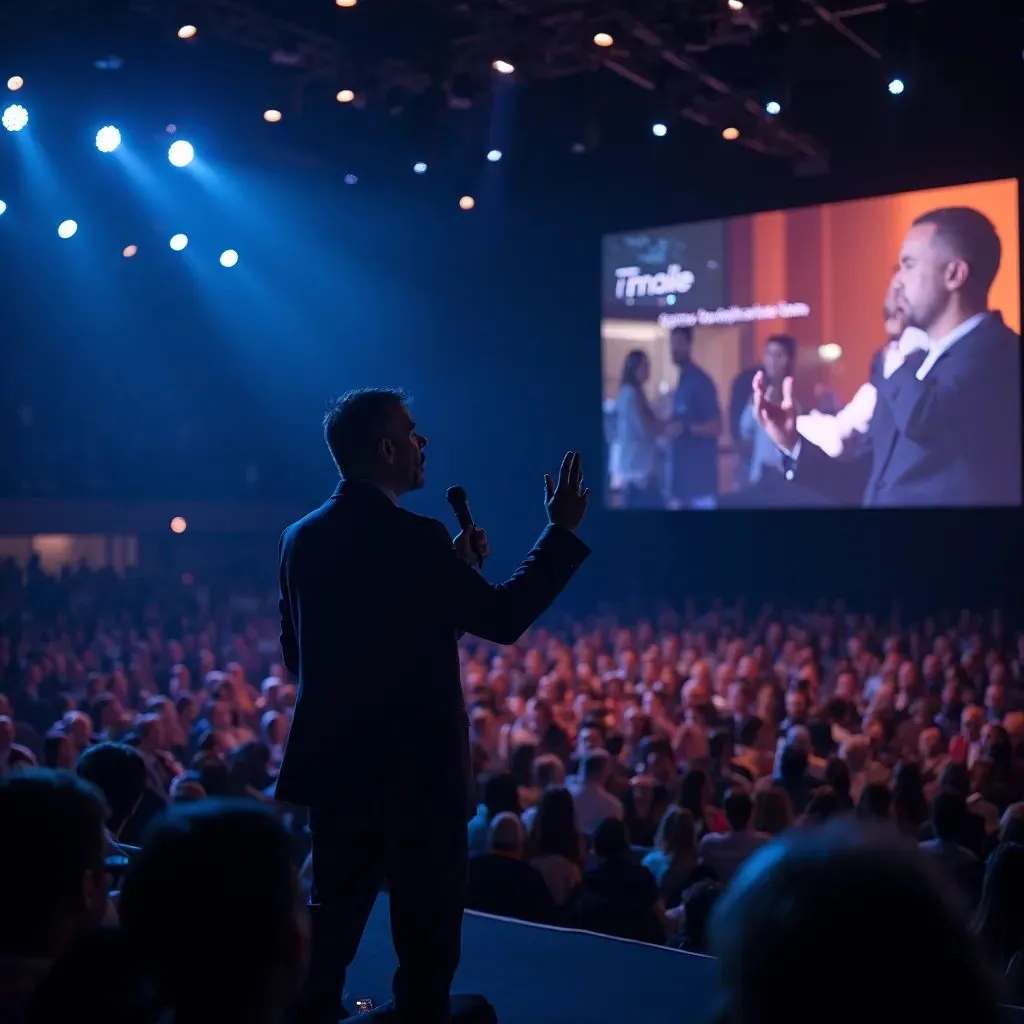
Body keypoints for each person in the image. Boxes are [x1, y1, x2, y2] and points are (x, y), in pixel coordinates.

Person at [278, 388, 591, 1023]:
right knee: (425, 962)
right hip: (417, 783)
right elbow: (503, 617)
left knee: (327, 949)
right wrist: (557, 533)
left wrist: (441, 582)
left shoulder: (300, 538)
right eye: (413, 434)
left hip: (338, 777)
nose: (424, 445)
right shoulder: (413, 537)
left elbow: (310, 658)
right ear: (386, 448)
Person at [754, 207, 1021, 507]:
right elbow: (870, 479)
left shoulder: (1001, 355)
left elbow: (931, 422)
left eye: (908, 265)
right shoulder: (910, 363)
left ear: (955, 274)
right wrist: (792, 444)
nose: (897, 282)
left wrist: (893, 364)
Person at [665, 326, 722, 509]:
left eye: (679, 343)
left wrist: (687, 428)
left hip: (700, 484)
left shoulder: (701, 382)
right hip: (680, 482)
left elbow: (716, 427)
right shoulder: (681, 381)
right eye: (672, 343)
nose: (674, 348)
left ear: (689, 344)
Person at [613, 350, 664, 507]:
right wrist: (665, 428)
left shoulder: (637, 392)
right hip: (637, 469)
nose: (648, 369)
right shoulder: (630, 394)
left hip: (641, 466)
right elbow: (644, 430)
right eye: (644, 365)